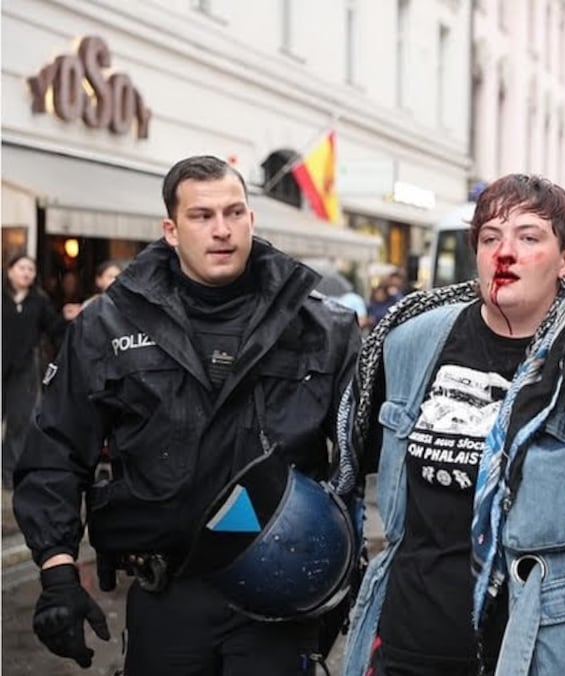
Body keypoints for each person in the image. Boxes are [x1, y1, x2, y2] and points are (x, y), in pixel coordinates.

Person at [339, 173, 565, 676]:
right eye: (490, 237)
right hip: (410, 643)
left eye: (529, 237)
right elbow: (355, 457)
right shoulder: (413, 338)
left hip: (535, 651)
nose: (505, 252)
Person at [12, 155, 362, 674]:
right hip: (167, 595)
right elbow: (56, 450)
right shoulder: (108, 325)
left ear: (251, 219)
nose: (221, 230)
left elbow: (362, 457)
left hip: (279, 596)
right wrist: (58, 570)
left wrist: (348, 574)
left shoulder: (320, 327)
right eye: (201, 216)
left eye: (234, 212)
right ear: (171, 230)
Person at [1, 253, 78, 488]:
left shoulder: (39, 301)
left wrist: (67, 319)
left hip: (24, 370)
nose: (26, 273)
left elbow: (55, 330)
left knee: (19, 423)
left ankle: (8, 474)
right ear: (10, 270)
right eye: (22, 268)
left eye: (31, 270)